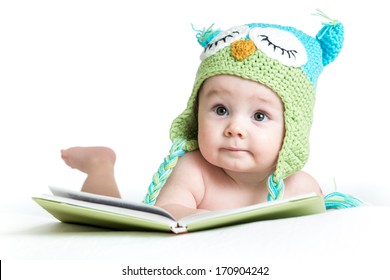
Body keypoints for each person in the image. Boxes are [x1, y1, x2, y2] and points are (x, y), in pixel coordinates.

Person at [61, 12, 359, 220]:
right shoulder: (193, 170)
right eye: (220, 110)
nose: (234, 128)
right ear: (196, 113)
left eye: (259, 115)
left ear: (292, 129)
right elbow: (170, 212)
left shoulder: (300, 187)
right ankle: (101, 166)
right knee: (108, 213)